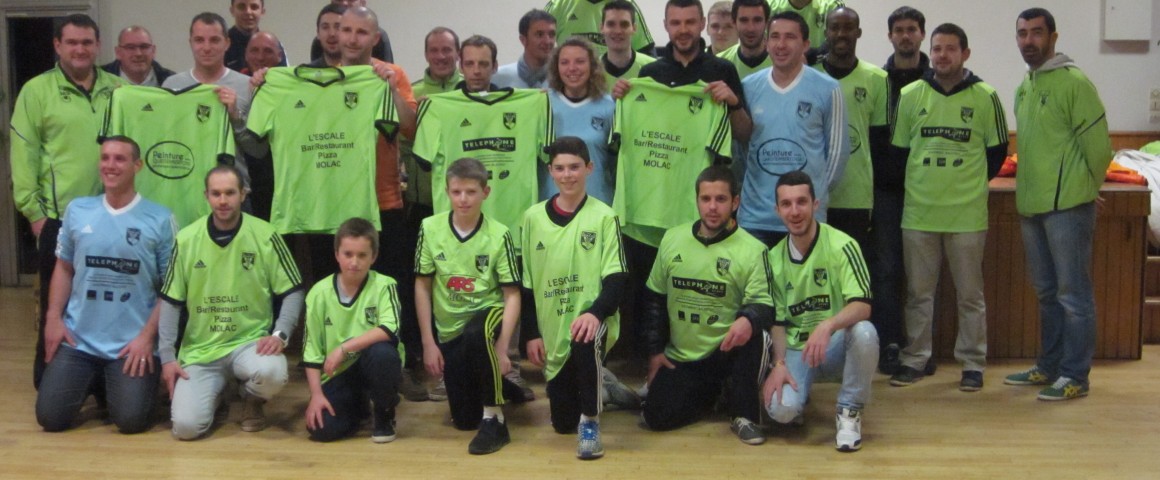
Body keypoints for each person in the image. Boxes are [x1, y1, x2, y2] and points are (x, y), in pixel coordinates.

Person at [611, 0, 752, 354]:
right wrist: (623, 100)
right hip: (648, 205)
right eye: (676, 23)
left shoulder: (722, 70)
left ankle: (693, 353)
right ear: (665, 25)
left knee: (691, 286)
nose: (683, 29)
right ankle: (647, 357)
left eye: (690, 22)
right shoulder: (649, 74)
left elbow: (744, 133)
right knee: (647, 287)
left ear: (702, 23)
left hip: (695, 207)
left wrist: (733, 102)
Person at [887, 23, 1008, 392]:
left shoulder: (986, 97)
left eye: (951, 49)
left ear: (965, 54)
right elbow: (899, 152)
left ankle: (972, 364)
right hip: (919, 213)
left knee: (970, 296)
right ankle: (915, 359)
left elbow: (996, 154)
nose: (942, 55)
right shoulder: (911, 95)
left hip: (967, 215)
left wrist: (965, 186)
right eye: (937, 48)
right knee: (918, 295)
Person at [10, 13, 124, 389]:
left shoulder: (118, 89)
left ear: (98, 46)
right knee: (56, 307)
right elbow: (23, 154)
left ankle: (100, 385)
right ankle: (51, 385)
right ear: (57, 45)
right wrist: (35, 214)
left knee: (104, 305)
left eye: (87, 42)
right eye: (72, 42)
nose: (80, 49)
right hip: (60, 220)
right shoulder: (37, 91)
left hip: (112, 218)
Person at [1004, 8, 1111, 401]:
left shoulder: (1074, 83)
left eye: (1036, 33)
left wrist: (1086, 188)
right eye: (1022, 33)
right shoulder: (1025, 86)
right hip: (1032, 206)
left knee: (1073, 296)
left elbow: (1100, 148)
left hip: (1068, 208)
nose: (1028, 41)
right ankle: (1048, 367)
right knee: (1047, 294)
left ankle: (1075, 376)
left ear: (1053, 37)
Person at [35, 137, 175, 434]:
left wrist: (147, 338)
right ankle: (97, 381)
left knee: (130, 421)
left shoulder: (160, 218)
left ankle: (123, 383)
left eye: (120, 159)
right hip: (79, 341)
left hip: (130, 345)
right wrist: (53, 318)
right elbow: (64, 267)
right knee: (50, 418)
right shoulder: (77, 210)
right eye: (105, 158)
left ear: (137, 166)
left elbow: (171, 288)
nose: (110, 165)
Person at [159, 165, 304, 440]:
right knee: (186, 429)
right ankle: (217, 394)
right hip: (201, 351)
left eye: (230, 193)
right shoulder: (186, 239)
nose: (223, 200)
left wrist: (281, 334)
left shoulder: (265, 235)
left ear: (243, 194)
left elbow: (293, 290)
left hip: (249, 343)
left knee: (272, 373)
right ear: (206, 196)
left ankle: (252, 398)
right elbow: (170, 301)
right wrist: (167, 357)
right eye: (216, 194)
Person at [640, 165, 773, 445]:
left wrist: (748, 318)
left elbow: (765, 305)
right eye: (706, 199)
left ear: (735, 202)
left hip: (726, 353)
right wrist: (654, 353)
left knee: (755, 329)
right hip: (682, 356)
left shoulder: (754, 250)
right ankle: (712, 395)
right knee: (654, 417)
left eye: (721, 199)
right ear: (697, 200)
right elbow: (654, 300)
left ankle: (744, 414)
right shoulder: (672, 238)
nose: (712, 207)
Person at [521, 137, 629, 459]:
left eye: (574, 167)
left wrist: (596, 313)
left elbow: (618, 278)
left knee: (585, 339)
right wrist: (531, 333)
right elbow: (527, 283)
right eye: (560, 168)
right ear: (550, 171)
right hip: (554, 328)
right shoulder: (532, 218)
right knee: (562, 423)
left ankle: (591, 425)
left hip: (593, 319)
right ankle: (603, 385)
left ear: (589, 168)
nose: (567, 175)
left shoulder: (605, 217)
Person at [762, 170, 877, 452]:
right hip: (797, 349)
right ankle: (799, 401)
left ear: (816, 204)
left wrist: (827, 326)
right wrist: (778, 365)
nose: (795, 211)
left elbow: (863, 305)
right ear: (777, 211)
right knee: (781, 411)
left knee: (865, 332)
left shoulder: (843, 245)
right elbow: (777, 322)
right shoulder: (772, 259)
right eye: (786, 204)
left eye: (801, 202)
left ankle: (849, 411)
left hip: (834, 346)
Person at [414, 158, 523, 455]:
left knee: (478, 332)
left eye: (471, 192)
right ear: (447, 192)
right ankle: (503, 386)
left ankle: (496, 420)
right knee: (463, 421)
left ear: (485, 193)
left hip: (487, 315)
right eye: (457, 192)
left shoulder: (499, 233)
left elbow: (512, 295)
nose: (463, 199)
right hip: (451, 329)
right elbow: (422, 286)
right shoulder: (429, 228)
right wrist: (428, 343)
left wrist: (502, 349)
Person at [815, 6, 888, 368]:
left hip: (857, 198)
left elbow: (879, 143)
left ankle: (855, 353)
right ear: (825, 32)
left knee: (854, 283)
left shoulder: (876, 78)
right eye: (835, 28)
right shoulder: (809, 74)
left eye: (848, 28)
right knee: (818, 280)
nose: (841, 34)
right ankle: (818, 353)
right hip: (816, 200)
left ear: (858, 33)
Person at [738, 11, 848, 248]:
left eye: (790, 37)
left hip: (805, 219)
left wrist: (812, 195)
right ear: (766, 43)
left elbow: (837, 155)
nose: (781, 44)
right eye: (775, 36)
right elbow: (741, 149)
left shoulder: (828, 88)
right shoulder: (748, 87)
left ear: (805, 44)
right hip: (756, 218)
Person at [303, 217, 403, 443]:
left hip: (372, 363)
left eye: (362, 255)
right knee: (321, 429)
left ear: (373, 257)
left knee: (383, 353)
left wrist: (344, 348)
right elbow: (311, 351)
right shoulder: (318, 293)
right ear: (336, 254)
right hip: (339, 374)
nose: (354, 262)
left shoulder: (385, 285)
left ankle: (384, 413)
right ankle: (359, 408)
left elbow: (390, 328)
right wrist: (316, 395)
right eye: (348, 254)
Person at [876, 5, 930, 376]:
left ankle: (921, 349)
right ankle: (890, 345)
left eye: (912, 29)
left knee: (923, 276)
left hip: (927, 192)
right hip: (885, 190)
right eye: (899, 30)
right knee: (886, 270)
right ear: (890, 36)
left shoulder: (937, 80)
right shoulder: (877, 81)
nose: (906, 35)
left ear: (921, 34)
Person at [545, 38, 615, 204]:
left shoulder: (609, 106)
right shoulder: (544, 105)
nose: (572, 68)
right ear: (556, 67)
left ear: (592, 66)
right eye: (564, 62)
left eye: (580, 61)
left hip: (597, 203)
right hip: (552, 204)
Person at [547, 0, 654, 56]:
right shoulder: (559, 4)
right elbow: (539, 45)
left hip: (617, 85)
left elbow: (646, 52)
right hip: (569, 80)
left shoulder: (626, 6)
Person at [309, 0, 394, 63]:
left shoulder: (378, 37)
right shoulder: (321, 41)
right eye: (346, 30)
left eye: (361, 32)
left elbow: (387, 72)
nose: (352, 40)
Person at [493, 9, 557, 89]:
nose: (547, 41)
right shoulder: (498, 78)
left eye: (551, 35)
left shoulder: (563, 79)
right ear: (523, 40)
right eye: (539, 35)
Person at [768, 0, 845, 63]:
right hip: (775, 70)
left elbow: (840, 42)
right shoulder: (769, 5)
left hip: (818, 71)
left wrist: (808, 57)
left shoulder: (832, 6)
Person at [599, 0, 656, 86]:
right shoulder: (590, 70)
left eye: (624, 25)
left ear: (634, 28)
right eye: (611, 24)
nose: (618, 31)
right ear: (602, 28)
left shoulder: (654, 68)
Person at [223, 0, 287, 72]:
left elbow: (283, 75)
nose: (248, 12)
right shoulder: (221, 45)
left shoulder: (274, 45)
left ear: (262, 11)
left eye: (254, 7)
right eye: (241, 7)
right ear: (232, 11)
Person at [102, 26, 175, 86]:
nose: (138, 53)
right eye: (130, 47)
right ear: (118, 52)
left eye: (144, 47)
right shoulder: (99, 80)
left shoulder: (172, 82)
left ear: (153, 51)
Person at [716, 0, 771, 79]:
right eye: (744, 20)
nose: (750, 28)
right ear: (734, 23)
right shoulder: (718, 64)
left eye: (757, 20)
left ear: (767, 24)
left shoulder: (782, 63)